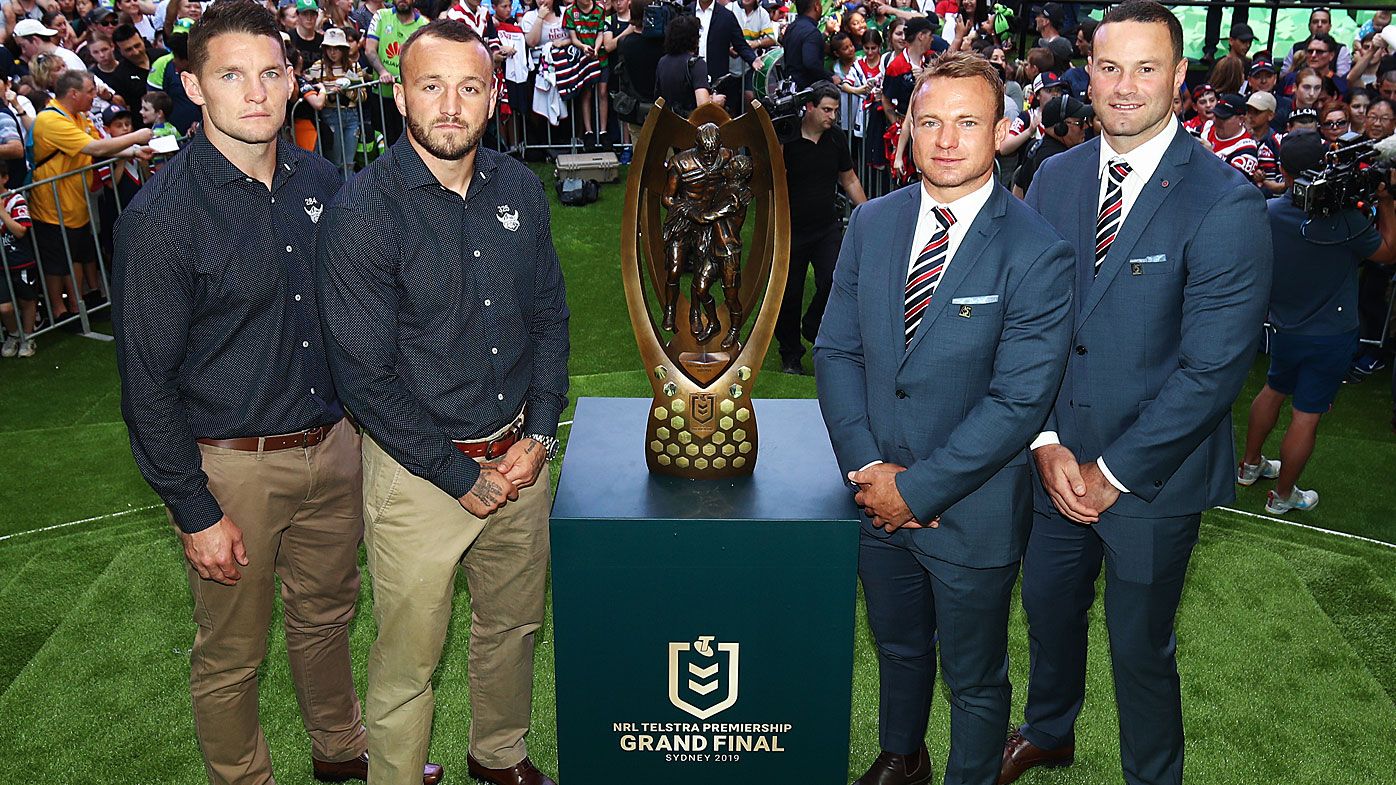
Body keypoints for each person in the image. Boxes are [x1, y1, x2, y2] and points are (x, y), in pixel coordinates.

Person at [112, 4, 443, 785]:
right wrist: (195, 509)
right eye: (231, 75)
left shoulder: (324, 181)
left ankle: (341, 752)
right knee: (231, 652)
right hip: (232, 468)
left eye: (269, 73)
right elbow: (146, 382)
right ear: (193, 87)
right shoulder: (161, 220)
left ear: (294, 80)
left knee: (327, 620)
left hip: (333, 446)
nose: (255, 93)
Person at [1002, 4, 1272, 785]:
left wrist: (1112, 471)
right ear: (1088, 72)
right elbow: (1031, 325)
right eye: (1110, 67)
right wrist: (1046, 441)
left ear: (1180, 77)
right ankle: (1049, 730)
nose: (1125, 87)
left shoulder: (1225, 201)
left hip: (1153, 477)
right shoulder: (1054, 176)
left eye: (1146, 68)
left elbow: (1212, 370)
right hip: (1054, 463)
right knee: (1049, 612)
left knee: (1140, 645)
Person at [317, 18, 568, 785]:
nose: (450, 105)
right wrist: (462, 477)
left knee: (513, 626)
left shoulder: (520, 187)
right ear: (400, 96)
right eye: (432, 86)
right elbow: (365, 378)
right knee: (408, 656)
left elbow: (549, 318)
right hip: (419, 475)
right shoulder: (363, 212)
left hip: (518, 459)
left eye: (468, 87)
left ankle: (498, 754)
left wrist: (541, 434)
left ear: (494, 97)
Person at [815, 50, 1074, 785]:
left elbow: (1020, 401)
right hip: (873, 497)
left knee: (975, 676)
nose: (949, 139)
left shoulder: (1037, 250)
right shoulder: (871, 223)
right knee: (897, 645)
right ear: (906, 132)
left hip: (969, 512)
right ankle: (903, 756)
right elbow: (837, 352)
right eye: (931, 121)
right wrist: (870, 471)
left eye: (969, 122)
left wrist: (918, 490)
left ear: (1002, 133)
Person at [1240, 131, 1396, 514]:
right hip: (1332, 334)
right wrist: (1387, 203)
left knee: (1273, 388)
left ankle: (1249, 466)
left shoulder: (1269, 212)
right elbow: (1388, 253)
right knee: (1306, 415)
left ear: (1283, 169)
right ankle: (1283, 495)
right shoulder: (1346, 220)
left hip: (1283, 327)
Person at [31, 69, 152, 326]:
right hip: (52, 205)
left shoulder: (79, 117)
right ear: (74, 94)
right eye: (90, 92)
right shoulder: (50, 120)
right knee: (57, 261)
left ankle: (78, 304)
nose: (94, 97)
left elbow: (100, 145)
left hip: (77, 201)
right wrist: (137, 137)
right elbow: (95, 148)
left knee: (76, 254)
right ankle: (60, 311)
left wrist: (133, 150)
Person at [776, 81, 866, 374]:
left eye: (836, 111)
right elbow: (770, 174)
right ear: (810, 108)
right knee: (789, 293)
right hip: (790, 230)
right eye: (827, 110)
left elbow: (849, 179)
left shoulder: (836, 138)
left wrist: (866, 214)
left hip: (826, 227)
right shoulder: (786, 138)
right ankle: (790, 353)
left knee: (835, 280)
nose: (833, 116)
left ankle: (813, 326)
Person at [305, 26, 368, 172]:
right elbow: (311, 93)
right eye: (329, 48)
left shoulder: (354, 66)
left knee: (349, 162)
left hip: (351, 115)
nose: (333, 53)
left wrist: (347, 92)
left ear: (343, 49)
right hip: (330, 114)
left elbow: (363, 95)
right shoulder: (317, 67)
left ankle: (349, 193)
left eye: (337, 48)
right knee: (335, 162)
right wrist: (328, 93)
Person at [365, 0, 428, 145]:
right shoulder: (380, 16)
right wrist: (382, 71)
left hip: (409, 98)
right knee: (383, 142)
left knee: (410, 142)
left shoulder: (424, 25)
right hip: (381, 97)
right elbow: (370, 50)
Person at [1012, 93, 1090, 198]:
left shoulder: (1034, 147)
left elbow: (1018, 191)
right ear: (1061, 127)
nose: (1085, 126)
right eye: (1079, 123)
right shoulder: (1062, 160)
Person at [689, 0, 755, 112]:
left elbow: (740, 43)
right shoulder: (686, 11)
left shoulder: (726, 16)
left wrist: (753, 59)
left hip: (717, 77)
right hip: (689, 74)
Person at [0, 163, 37, 358]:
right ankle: (14, 334)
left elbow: (21, 231)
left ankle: (28, 336)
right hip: (1, 265)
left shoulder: (15, 199)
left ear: (5, 178)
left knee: (27, 300)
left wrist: (2, 212)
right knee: (4, 307)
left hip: (20, 260)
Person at [655, 14, 721, 116]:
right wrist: (715, 102)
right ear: (694, 39)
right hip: (690, 127)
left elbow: (659, 99)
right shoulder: (696, 64)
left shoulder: (662, 62)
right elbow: (703, 106)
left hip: (668, 124)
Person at [1200, 92, 1259, 180]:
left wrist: (1210, 156)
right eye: (1216, 116)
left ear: (1241, 119)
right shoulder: (1207, 128)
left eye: (1224, 118)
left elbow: (1232, 183)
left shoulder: (1247, 149)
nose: (1218, 121)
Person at [782, 0, 834, 89]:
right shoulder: (812, 32)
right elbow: (811, 63)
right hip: (806, 91)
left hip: (790, 86)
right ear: (816, 6)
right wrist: (829, 78)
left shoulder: (791, 27)